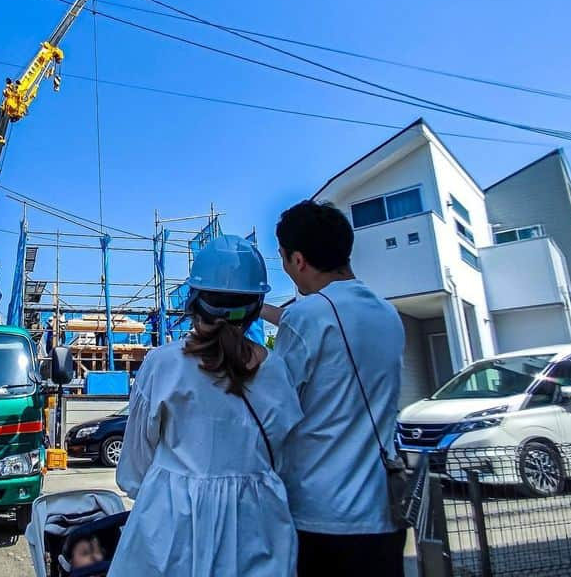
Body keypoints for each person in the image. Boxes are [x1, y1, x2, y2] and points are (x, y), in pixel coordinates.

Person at [110, 235, 303, 576]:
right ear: (256, 306)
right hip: (257, 524)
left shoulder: (163, 364)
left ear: (194, 301)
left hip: (169, 525)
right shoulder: (275, 369)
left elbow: (134, 469)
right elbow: (285, 459)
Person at [262, 200, 406, 577]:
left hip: (322, 517)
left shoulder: (307, 316)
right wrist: (263, 309)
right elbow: (323, 326)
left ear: (298, 260)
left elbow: (275, 410)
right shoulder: (386, 313)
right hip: (383, 513)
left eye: (282, 257)